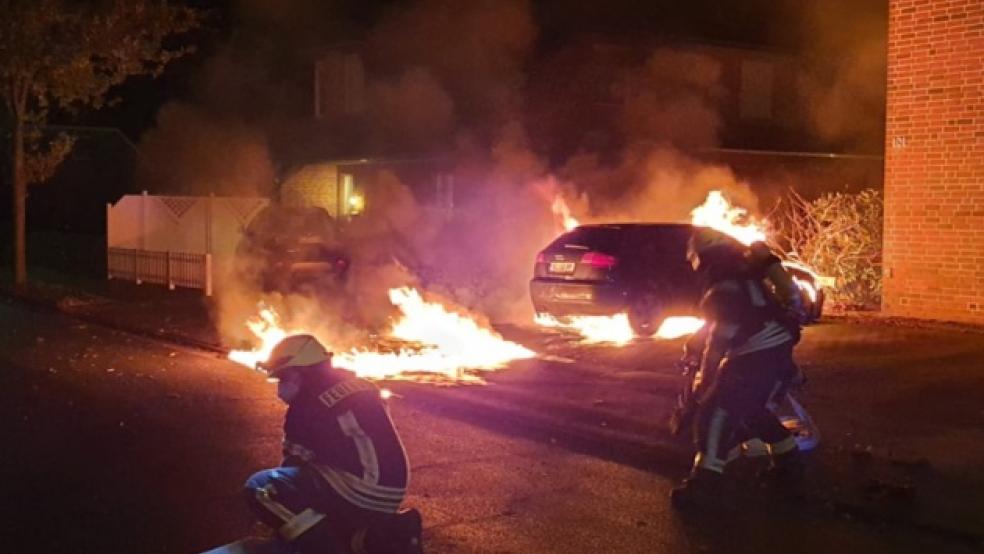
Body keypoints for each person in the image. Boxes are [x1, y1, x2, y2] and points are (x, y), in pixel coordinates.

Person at [244, 334, 422, 554]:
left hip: (360, 490)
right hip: (393, 489)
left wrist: (285, 517)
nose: (281, 386)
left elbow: (292, 464)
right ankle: (373, 537)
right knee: (317, 480)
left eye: (283, 377)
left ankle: (326, 548)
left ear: (302, 371)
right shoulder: (362, 384)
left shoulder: (305, 404)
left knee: (262, 487)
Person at [671, 228, 803, 509]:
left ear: (701, 257)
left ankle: (704, 486)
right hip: (777, 349)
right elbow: (724, 320)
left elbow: (719, 342)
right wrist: (694, 342)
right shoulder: (743, 276)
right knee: (751, 409)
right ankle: (789, 463)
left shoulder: (721, 288)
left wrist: (705, 385)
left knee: (714, 412)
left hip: (755, 356)